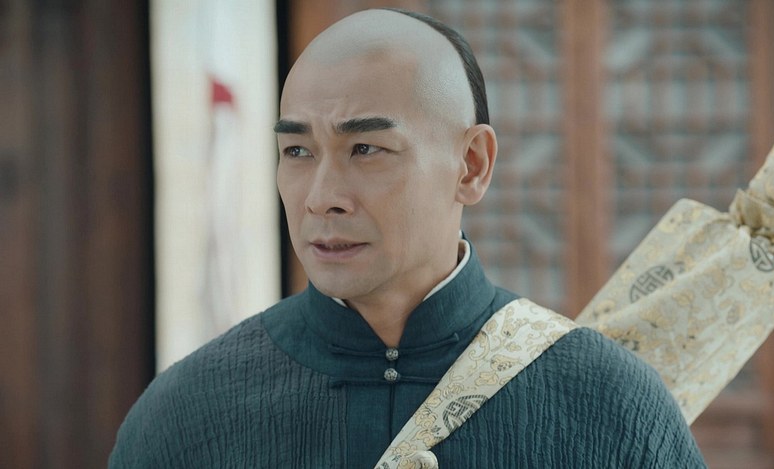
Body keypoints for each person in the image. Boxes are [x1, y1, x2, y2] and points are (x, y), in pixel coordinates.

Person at [110, 8, 706, 468]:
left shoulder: (609, 404)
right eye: (297, 151)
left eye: (365, 148)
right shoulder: (186, 415)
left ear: (472, 165)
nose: (321, 196)